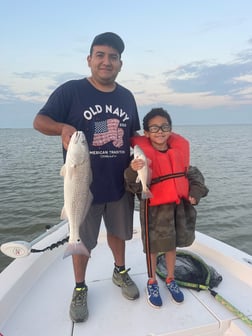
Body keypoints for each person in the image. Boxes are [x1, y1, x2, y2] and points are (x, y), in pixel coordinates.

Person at [33, 32, 140, 322]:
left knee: (119, 235)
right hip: (82, 186)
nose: (107, 62)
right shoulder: (71, 91)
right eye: (101, 55)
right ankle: (80, 287)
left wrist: (150, 152)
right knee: (81, 240)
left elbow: (133, 135)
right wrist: (62, 129)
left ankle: (120, 272)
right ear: (90, 59)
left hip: (119, 185)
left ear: (120, 63)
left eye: (113, 57)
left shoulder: (127, 97)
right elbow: (39, 121)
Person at [124, 108, 208, 308]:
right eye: (154, 128)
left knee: (171, 246)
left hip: (176, 208)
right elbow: (132, 185)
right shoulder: (140, 158)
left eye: (164, 127)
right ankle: (152, 281)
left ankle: (171, 278)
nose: (160, 131)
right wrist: (131, 171)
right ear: (146, 133)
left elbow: (195, 177)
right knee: (152, 248)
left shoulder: (179, 153)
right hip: (153, 210)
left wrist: (195, 194)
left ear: (170, 129)